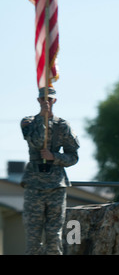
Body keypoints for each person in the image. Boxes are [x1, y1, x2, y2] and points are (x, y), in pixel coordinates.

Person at [20, 87, 80, 255]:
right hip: (34, 186)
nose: (47, 102)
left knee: (54, 238)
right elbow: (37, 143)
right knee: (33, 239)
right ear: (38, 100)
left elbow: (73, 156)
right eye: (43, 99)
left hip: (55, 186)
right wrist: (42, 118)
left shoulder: (63, 125)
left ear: (55, 101)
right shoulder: (28, 122)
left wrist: (54, 156)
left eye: (50, 99)